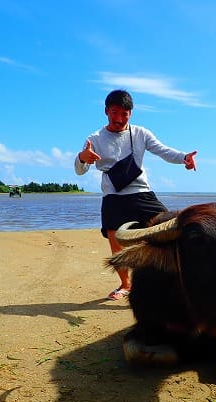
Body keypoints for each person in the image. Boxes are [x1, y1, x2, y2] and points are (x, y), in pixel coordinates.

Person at [75, 89, 197, 300]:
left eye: (124, 114)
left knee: (171, 228)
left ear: (131, 113)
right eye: (114, 113)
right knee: (116, 242)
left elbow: (163, 150)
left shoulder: (140, 133)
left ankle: (179, 277)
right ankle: (125, 284)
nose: (119, 119)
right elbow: (80, 170)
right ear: (106, 111)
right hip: (113, 197)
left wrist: (184, 157)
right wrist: (83, 157)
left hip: (142, 193)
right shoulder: (94, 138)